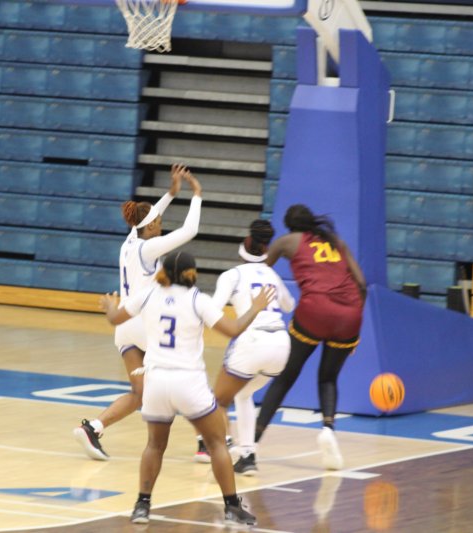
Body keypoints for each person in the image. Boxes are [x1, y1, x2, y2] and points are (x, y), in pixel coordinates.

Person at [100, 251, 274, 525]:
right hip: (188, 382)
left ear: (163, 272)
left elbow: (115, 319)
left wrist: (110, 306)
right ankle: (232, 507)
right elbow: (233, 329)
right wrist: (255, 307)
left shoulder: (148, 294)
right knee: (216, 443)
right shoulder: (197, 300)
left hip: (156, 381)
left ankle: (142, 506)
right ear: (191, 273)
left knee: (154, 445)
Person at [73, 164, 203, 461]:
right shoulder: (149, 248)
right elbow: (190, 230)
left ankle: (93, 428)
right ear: (151, 226)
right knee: (183, 378)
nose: (161, 224)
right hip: (145, 326)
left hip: (125, 328)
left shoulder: (130, 240)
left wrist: (171, 194)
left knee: (140, 393)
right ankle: (205, 442)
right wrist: (196, 194)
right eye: (159, 221)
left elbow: (148, 215)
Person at [253, 204, 367, 470]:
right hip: (350, 314)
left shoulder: (287, 241)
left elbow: (259, 273)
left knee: (286, 377)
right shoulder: (336, 242)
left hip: (316, 309)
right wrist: (354, 331)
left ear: (289, 225)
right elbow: (361, 284)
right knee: (328, 377)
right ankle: (328, 428)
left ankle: (251, 443)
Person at [208, 219, 295, 475]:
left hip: (253, 340)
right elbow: (289, 305)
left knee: (216, 403)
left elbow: (212, 310)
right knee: (243, 394)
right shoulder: (272, 275)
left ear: (244, 245)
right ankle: (248, 455)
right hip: (280, 345)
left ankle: (216, 450)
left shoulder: (232, 275)